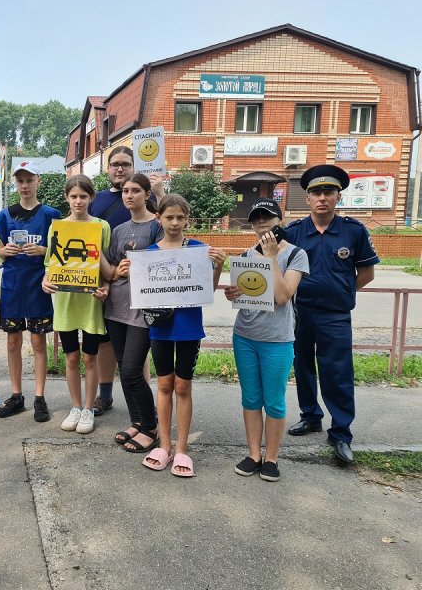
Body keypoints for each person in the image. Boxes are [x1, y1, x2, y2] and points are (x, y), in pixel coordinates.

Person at [285, 165, 380, 464]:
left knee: (337, 373)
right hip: (300, 313)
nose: (322, 197)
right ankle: (310, 416)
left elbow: (366, 273)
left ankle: (340, 433)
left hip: (335, 316)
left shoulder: (354, 230)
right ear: (308, 198)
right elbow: (271, 265)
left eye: (328, 192)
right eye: (315, 192)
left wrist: (340, 291)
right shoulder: (293, 231)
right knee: (303, 367)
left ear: (338, 196)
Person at [223, 199, 309, 481]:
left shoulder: (296, 254)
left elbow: (283, 296)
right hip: (245, 334)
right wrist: (233, 293)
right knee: (250, 398)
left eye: (267, 216)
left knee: (274, 401)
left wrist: (271, 258)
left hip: (277, 339)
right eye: (256, 217)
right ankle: (253, 454)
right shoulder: (247, 254)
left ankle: (271, 457)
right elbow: (249, 293)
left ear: (279, 220)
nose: (261, 222)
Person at [141, 194, 226, 477]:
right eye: (169, 217)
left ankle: (182, 449)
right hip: (160, 327)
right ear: (159, 219)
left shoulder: (199, 249)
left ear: (187, 219)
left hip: (189, 327)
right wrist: (131, 273)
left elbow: (208, 291)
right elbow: (142, 290)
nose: (174, 223)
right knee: (164, 384)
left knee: (183, 387)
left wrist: (217, 267)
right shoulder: (149, 253)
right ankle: (164, 446)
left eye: (180, 217)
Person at [88, 146, 166, 416]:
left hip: (144, 293)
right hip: (107, 283)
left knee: (136, 354)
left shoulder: (154, 201)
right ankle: (106, 395)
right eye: (114, 164)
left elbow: (172, 227)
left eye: (125, 163)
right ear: (107, 169)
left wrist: (160, 192)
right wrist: (107, 278)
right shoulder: (95, 199)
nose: (119, 168)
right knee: (107, 344)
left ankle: (143, 404)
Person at [42, 175, 111, 434]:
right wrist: (45, 280)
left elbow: (107, 267)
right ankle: (75, 406)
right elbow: (50, 261)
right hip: (66, 302)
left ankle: (88, 409)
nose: (78, 201)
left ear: (91, 198)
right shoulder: (57, 227)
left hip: (92, 302)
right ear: (66, 198)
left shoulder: (102, 226)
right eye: (74, 196)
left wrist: (107, 287)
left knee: (89, 357)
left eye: (83, 196)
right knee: (71, 357)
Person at [0, 162, 61, 422]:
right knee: (12, 342)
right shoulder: (3, 216)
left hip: (38, 286)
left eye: (29, 180)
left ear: (38, 181)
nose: (24, 185)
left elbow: (62, 250)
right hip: (12, 286)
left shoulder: (50, 215)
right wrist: (4, 251)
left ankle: (39, 397)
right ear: (15, 184)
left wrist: (43, 251)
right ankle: (16, 395)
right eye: (20, 181)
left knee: (37, 342)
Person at [102, 173, 161, 452]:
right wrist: (115, 272)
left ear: (147, 194)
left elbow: (166, 265)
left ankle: (151, 426)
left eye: (136, 190)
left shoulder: (157, 227)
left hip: (143, 310)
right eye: (125, 190)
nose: (129, 195)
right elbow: (111, 270)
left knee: (132, 371)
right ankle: (136, 422)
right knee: (123, 372)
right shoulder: (119, 230)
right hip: (116, 308)